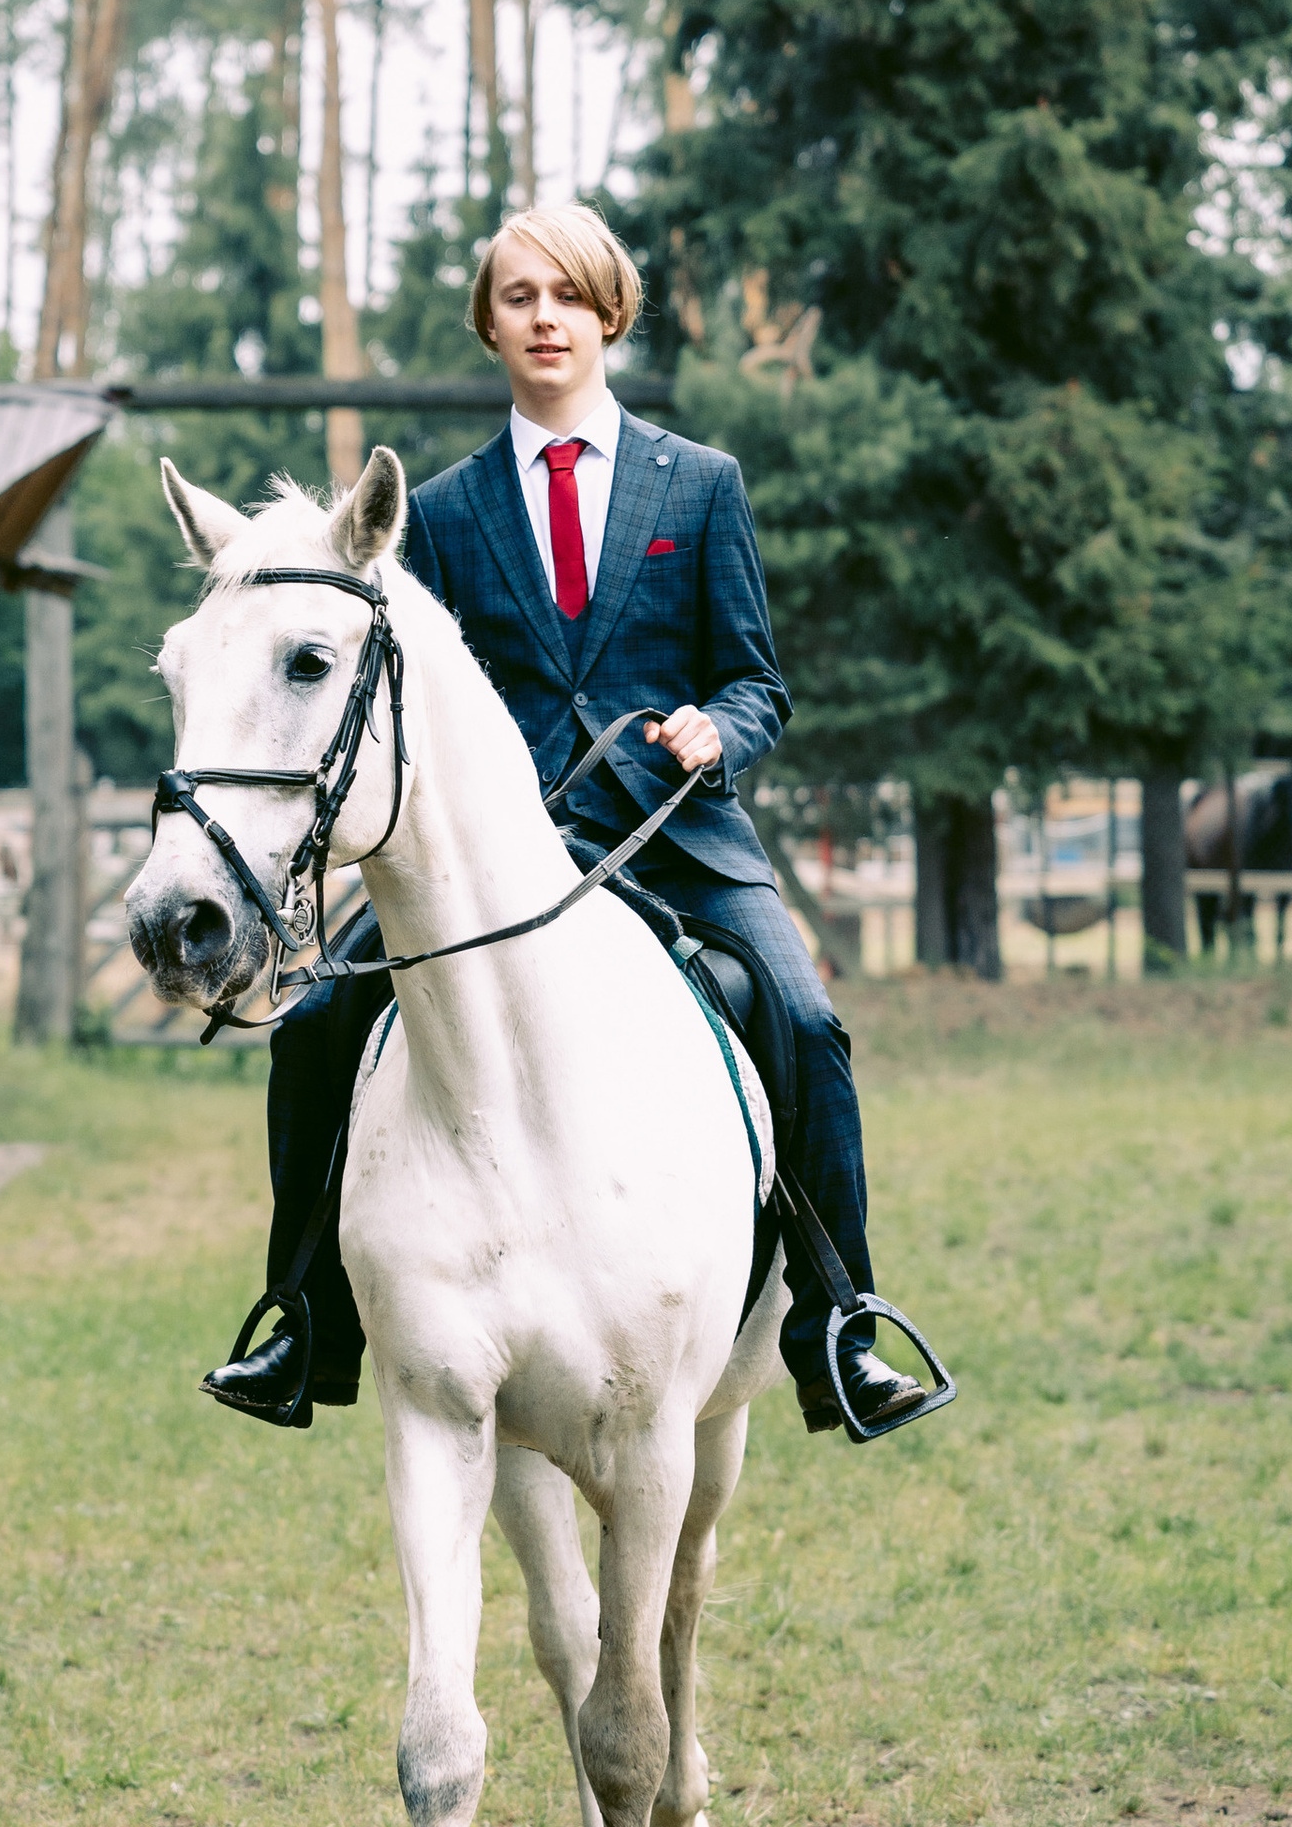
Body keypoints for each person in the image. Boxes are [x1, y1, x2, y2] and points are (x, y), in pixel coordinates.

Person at [206, 199, 946, 1444]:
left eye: (565, 295)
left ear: (609, 313)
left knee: (806, 1018)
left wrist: (723, 729)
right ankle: (302, 1323)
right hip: (499, 855)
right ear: (488, 327)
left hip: (675, 834)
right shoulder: (436, 511)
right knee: (321, 1017)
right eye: (516, 298)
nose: (542, 318)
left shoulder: (700, 486)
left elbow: (758, 678)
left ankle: (837, 1326)